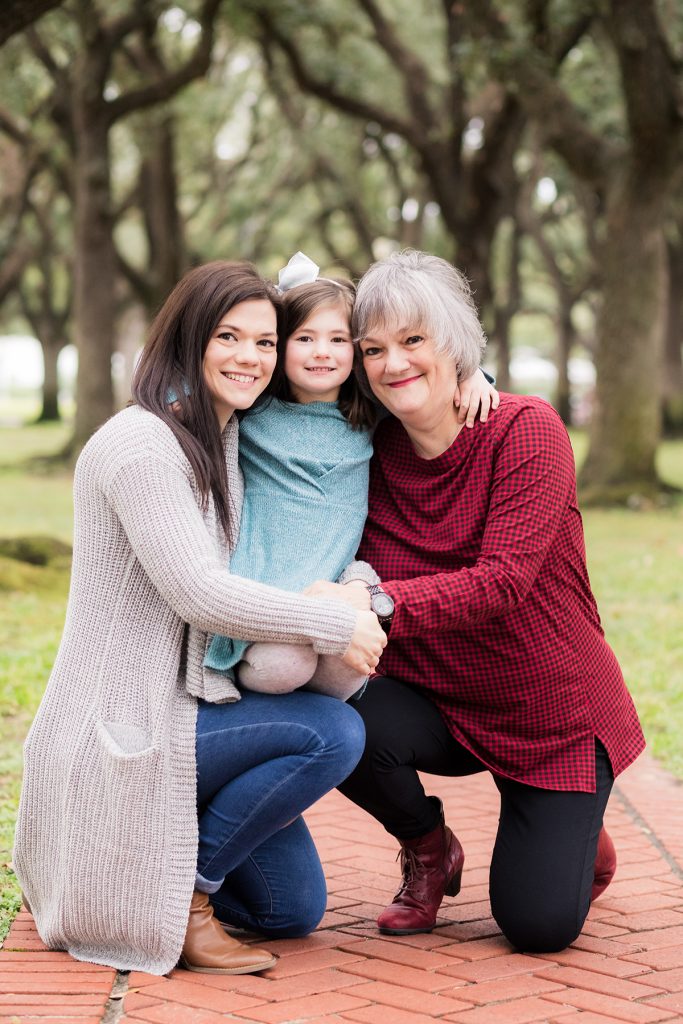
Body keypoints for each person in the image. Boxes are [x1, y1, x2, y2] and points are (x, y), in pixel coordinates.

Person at [12, 260, 388, 977]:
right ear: (189, 338)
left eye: (264, 343)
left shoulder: (224, 436)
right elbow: (200, 593)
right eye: (228, 337)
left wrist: (473, 382)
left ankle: (135, 859)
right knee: (333, 731)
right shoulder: (142, 445)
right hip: (123, 721)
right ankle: (180, 894)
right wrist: (336, 623)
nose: (249, 357)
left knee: (289, 911)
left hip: (189, 704)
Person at [310, 250, 646, 954]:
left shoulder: (526, 431)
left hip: (548, 711)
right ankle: (428, 848)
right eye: (372, 349)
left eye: (412, 341)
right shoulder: (364, 452)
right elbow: (281, 406)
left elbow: (503, 580)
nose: (391, 363)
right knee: (325, 717)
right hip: (441, 699)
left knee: (535, 928)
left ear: (454, 346)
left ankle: (573, 827)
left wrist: (373, 601)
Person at [205, 252, 499, 698]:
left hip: (335, 588)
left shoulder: (368, 413)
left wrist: (474, 373)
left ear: (356, 353)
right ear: (279, 346)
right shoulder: (254, 410)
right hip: (268, 587)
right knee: (283, 666)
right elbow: (192, 376)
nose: (322, 352)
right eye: (304, 338)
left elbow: (424, 377)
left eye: (339, 340)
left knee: (348, 673)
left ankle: (322, 741)